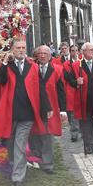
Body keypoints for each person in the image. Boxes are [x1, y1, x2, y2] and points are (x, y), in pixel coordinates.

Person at [0, 38, 49, 186]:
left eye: (23, 48)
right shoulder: (7, 66)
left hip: (27, 114)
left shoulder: (33, 67)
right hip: (10, 113)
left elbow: (41, 88)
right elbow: (1, 81)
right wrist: (4, 62)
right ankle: (14, 162)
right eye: (18, 48)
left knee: (20, 144)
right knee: (10, 143)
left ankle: (18, 177)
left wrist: (47, 107)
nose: (21, 50)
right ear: (12, 49)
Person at [30, 45, 67, 175]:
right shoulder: (31, 68)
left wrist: (63, 110)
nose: (43, 55)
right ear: (37, 55)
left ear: (50, 55)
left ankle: (48, 164)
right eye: (40, 53)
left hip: (50, 108)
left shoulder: (57, 70)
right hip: (34, 106)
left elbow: (61, 91)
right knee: (34, 134)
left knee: (47, 135)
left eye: (45, 53)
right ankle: (36, 158)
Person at [68, 43, 93, 155]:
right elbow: (70, 80)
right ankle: (89, 146)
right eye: (90, 50)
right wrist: (76, 82)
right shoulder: (76, 66)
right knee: (86, 124)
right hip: (84, 100)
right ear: (83, 52)